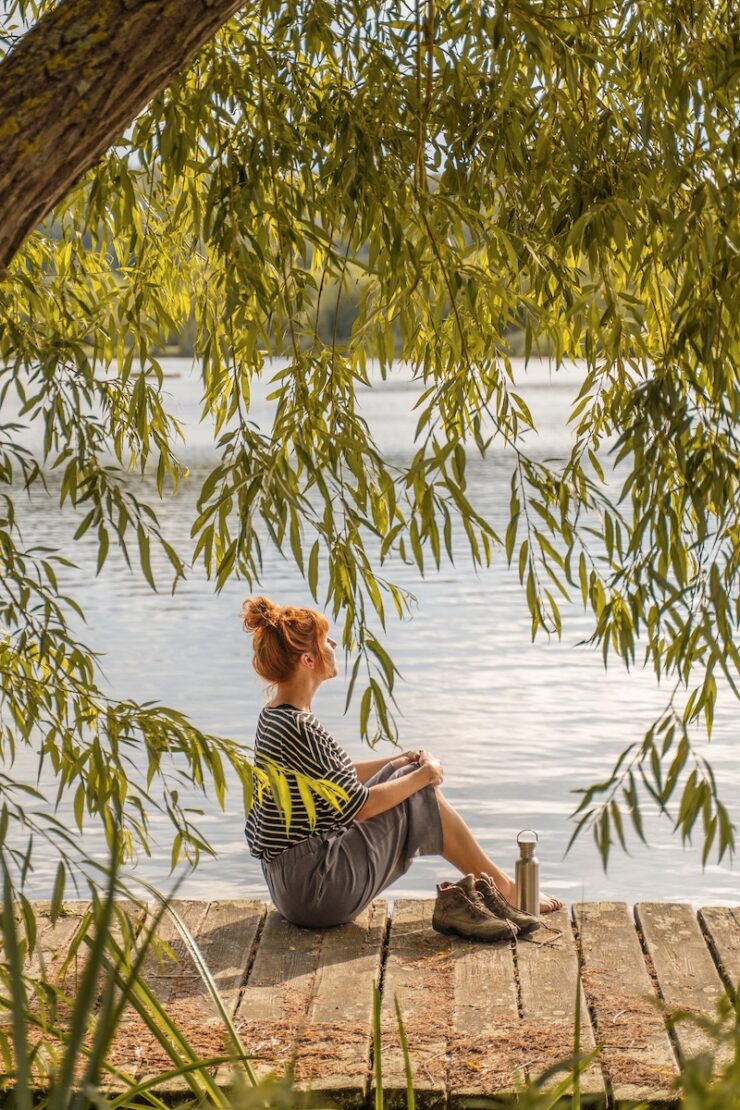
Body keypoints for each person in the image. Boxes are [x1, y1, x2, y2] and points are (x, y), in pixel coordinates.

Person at [242, 596, 564, 936]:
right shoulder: (299, 727)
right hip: (318, 892)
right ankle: (505, 888)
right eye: (325, 641)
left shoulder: (276, 715)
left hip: (293, 886)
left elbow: (335, 779)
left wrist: (397, 761)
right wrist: (425, 775)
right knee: (419, 791)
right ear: (308, 659)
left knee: (409, 778)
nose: (334, 645)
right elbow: (361, 807)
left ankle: (500, 885)